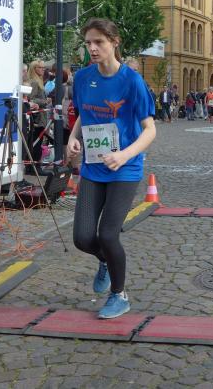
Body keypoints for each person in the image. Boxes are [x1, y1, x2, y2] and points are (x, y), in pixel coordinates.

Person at [66, 18, 156, 319]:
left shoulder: (132, 81)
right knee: (82, 238)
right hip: (93, 167)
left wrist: (124, 155)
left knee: (107, 234)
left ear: (114, 42)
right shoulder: (82, 78)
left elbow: (150, 130)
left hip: (125, 169)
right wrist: (73, 138)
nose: (92, 48)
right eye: (88, 43)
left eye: (99, 42)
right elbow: (84, 114)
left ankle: (119, 295)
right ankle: (105, 261)